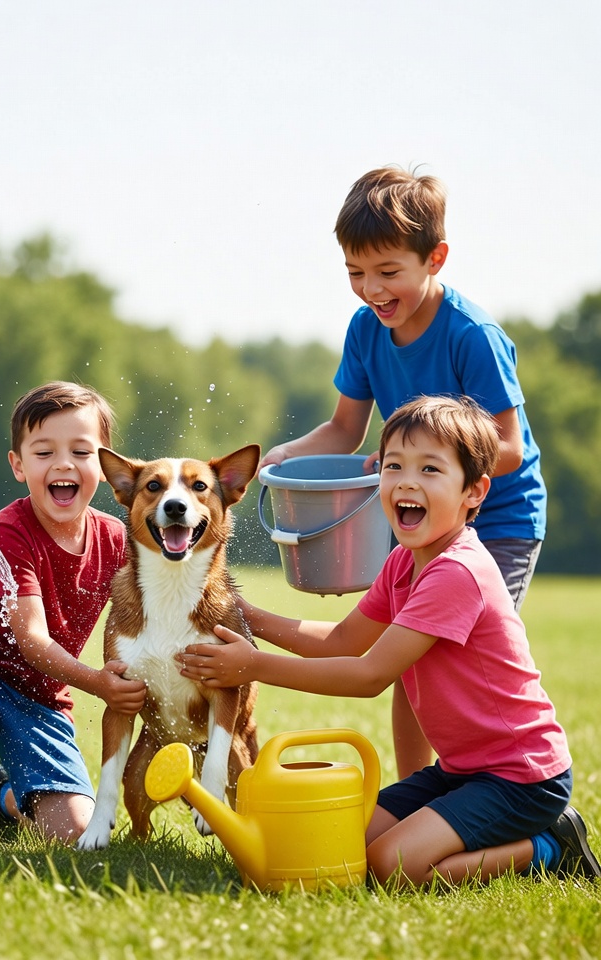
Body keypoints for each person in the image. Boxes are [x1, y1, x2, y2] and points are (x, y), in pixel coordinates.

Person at [179, 396, 599, 888]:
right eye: (394, 465)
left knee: (391, 868)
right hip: (461, 772)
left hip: (521, 779)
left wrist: (252, 666)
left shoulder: (457, 572)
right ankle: (480, 829)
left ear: (474, 491)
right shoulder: (403, 562)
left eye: (430, 469)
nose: (406, 481)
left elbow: (370, 676)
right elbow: (342, 640)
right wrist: (244, 614)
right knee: (329, 843)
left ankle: (550, 846)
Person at [261, 166, 547, 780]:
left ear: (434, 258)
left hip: (495, 515)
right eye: (355, 273)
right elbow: (343, 430)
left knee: (441, 662)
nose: (371, 289)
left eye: (388, 272)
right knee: (407, 662)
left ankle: (502, 782)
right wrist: (282, 455)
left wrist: (423, 464)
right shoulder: (367, 330)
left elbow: (509, 447)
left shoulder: (472, 334)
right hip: (418, 509)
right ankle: (421, 790)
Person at [0, 381, 146, 854]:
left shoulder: (116, 538)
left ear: (103, 466)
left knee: (78, 836)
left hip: (41, 702)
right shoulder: (8, 530)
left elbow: (154, 605)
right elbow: (32, 641)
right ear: (19, 465)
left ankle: (4, 795)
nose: (63, 464)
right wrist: (100, 683)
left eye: (81, 451)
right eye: (44, 453)